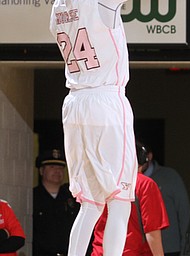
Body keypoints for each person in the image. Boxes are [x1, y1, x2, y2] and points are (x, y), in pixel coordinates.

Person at [49, 0, 137, 255]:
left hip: (75, 102)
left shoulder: (57, 8)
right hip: (106, 99)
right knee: (120, 201)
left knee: (90, 203)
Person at [91, 141, 170, 256]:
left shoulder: (101, 183)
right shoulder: (145, 184)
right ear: (144, 163)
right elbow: (152, 230)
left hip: (100, 251)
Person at [142, 142, 190, 256]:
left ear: (149, 156)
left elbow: (184, 212)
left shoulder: (169, 176)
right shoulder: (126, 179)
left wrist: (185, 248)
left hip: (168, 248)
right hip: (137, 248)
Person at [33, 149, 80, 256]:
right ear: (41, 171)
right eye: (52, 167)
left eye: (60, 168)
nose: (57, 171)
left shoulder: (73, 197)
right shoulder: (33, 197)